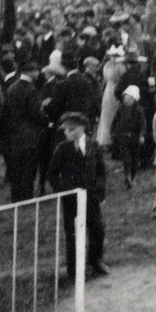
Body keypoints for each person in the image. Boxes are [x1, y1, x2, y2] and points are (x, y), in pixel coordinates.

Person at [46, 111, 109, 279]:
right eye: (65, 130)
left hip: (91, 197)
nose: (67, 133)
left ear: (81, 129)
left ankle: (95, 261)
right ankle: (74, 270)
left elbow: (101, 172)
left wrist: (100, 192)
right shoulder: (62, 149)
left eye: (71, 129)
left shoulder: (93, 146)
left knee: (97, 229)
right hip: (71, 200)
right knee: (73, 233)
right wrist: (63, 191)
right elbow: (52, 174)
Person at [1, 60, 49, 201]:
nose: (37, 73)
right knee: (29, 167)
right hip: (29, 133)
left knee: (16, 167)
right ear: (29, 71)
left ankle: (16, 197)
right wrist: (46, 120)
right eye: (35, 71)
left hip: (15, 134)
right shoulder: (31, 89)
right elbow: (34, 113)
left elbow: (7, 111)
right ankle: (27, 196)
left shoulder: (11, 87)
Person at [110, 85, 146, 188]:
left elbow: (143, 124)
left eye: (128, 97)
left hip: (134, 137)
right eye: (125, 97)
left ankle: (133, 177)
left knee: (134, 158)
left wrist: (141, 135)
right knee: (126, 158)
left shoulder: (139, 110)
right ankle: (127, 176)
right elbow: (115, 120)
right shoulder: (121, 108)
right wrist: (112, 132)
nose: (126, 99)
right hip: (123, 137)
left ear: (134, 99)